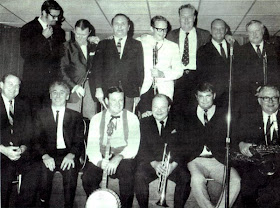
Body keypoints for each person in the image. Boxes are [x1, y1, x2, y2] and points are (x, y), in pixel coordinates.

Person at [82, 86, 140, 208]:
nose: (118, 104)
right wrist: (99, 162)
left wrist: (119, 157)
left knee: (128, 176)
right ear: (106, 101)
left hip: (123, 157)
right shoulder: (96, 119)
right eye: (114, 100)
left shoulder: (132, 118)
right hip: (102, 157)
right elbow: (91, 146)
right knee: (87, 178)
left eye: (121, 100)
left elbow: (134, 145)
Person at [185, 83, 240, 208]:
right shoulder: (187, 114)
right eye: (201, 96)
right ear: (196, 97)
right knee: (196, 180)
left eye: (208, 96)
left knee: (236, 180)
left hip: (217, 159)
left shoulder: (225, 114)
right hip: (196, 160)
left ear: (214, 96)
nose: (204, 100)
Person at [33, 81, 84, 208]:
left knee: (71, 171)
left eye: (62, 93)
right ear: (50, 95)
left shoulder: (75, 116)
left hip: (67, 154)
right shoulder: (40, 114)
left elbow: (79, 140)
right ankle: (43, 204)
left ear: (67, 96)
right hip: (47, 154)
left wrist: (72, 154)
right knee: (43, 174)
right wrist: (44, 155)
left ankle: (69, 205)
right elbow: (35, 139)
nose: (58, 96)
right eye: (54, 92)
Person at [135, 94, 190, 208]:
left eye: (163, 107)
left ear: (169, 108)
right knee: (139, 175)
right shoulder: (143, 123)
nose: (159, 111)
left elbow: (184, 147)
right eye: (155, 107)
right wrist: (154, 163)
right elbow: (141, 147)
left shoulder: (179, 121)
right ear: (151, 107)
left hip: (172, 164)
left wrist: (173, 165)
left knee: (185, 177)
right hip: (152, 163)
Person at [236, 85, 280, 207]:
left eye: (274, 98)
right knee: (248, 186)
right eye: (266, 98)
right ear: (259, 100)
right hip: (256, 165)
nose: (271, 101)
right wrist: (241, 144)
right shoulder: (248, 117)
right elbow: (236, 137)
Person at [0, 73, 39, 207]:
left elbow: (29, 133)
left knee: (35, 169)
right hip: (1, 152)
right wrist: (4, 150)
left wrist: (22, 148)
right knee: (5, 173)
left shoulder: (24, 105)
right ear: (1, 85)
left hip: (20, 152)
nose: (14, 88)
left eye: (17, 85)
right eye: (10, 84)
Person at [20, 0, 65, 114]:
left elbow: (61, 56)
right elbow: (25, 53)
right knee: (33, 117)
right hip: (34, 85)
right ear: (44, 13)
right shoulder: (28, 28)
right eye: (53, 16)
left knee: (48, 118)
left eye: (58, 17)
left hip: (51, 85)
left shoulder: (59, 32)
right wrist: (42, 37)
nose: (56, 19)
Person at [93, 13, 144, 112]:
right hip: (108, 90)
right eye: (116, 23)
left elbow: (140, 69)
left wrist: (138, 93)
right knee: (109, 121)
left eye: (123, 24)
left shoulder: (137, 45)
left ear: (128, 27)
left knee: (126, 121)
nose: (120, 26)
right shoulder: (103, 44)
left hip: (129, 92)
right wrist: (98, 88)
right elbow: (97, 68)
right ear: (112, 26)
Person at [167, 4, 211, 116]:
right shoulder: (171, 35)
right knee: (177, 113)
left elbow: (218, 41)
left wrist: (227, 36)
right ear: (179, 18)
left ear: (194, 18)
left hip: (197, 78)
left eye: (189, 17)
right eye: (183, 17)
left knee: (196, 113)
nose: (186, 20)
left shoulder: (205, 35)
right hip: (177, 78)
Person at [137, 15, 183, 116]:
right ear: (151, 29)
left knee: (163, 122)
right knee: (146, 121)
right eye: (159, 29)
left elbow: (179, 71)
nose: (162, 33)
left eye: (165, 30)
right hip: (146, 89)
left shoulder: (173, 47)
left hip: (164, 90)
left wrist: (162, 74)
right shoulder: (141, 42)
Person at [235, 20, 280, 115]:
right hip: (250, 98)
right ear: (247, 33)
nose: (254, 34)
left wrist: (270, 90)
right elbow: (238, 76)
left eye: (257, 31)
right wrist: (257, 89)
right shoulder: (239, 52)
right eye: (251, 32)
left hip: (271, 99)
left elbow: (277, 73)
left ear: (263, 31)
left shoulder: (274, 49)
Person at [197, 19, 239, 108]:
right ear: (211, 31)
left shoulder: (234, 46)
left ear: (226, 30)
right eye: (215, 28)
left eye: (221, 28)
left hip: (234, 95)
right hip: (215, 97)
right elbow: (201, 76)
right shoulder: (203, 50)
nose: (218, 31)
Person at [61, 19, 97, 119]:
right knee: (71, 119)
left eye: (84, 35)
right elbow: (62, 70)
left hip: (90, 88)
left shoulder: (93, 46)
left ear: (89, 33)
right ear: (74, 31)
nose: (80, 38)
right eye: (78, 34)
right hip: (73, 89)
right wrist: (74, 86)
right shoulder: (66, 46)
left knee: (91, 118)